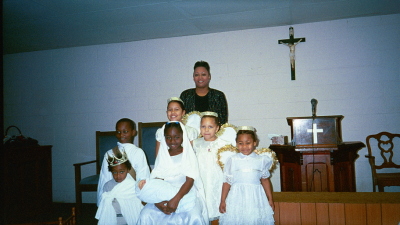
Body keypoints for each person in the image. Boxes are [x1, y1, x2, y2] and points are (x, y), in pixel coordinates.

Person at [137, 121, 208, 225]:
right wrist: (158, 203)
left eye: (176, 137)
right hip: (163, 194)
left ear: (183, 137)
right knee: (145, 214)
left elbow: (190, 180)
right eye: (168, 137)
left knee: (194, 216)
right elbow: (157, 181)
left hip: (185, 193)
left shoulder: (187, 154)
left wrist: (176, 200)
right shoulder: (163, 155)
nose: (172, 141)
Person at [219, 126, 275, 225]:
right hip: (236, 197)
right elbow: (227, 182)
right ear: (236, 144)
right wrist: (222, 200)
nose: (244, 146)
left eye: (248, 143)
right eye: (241, 143)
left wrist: (270, 199)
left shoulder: (261, 160)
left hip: (255, 197)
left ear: (255, 143)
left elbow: (265, 180)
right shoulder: (232, 160)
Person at [97, 118, 150, 206]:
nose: (121, 135)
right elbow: (104, 179)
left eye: (125, 131)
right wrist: (102, 203)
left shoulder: (138, 152)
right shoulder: (109, 153)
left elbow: (143, 177)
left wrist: (144, 199)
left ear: (134, 132)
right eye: (118, 132)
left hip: (132, 196)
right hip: (114, 196)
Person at [193, 111, 231, 222]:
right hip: (201, 180)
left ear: (217, 128)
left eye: (210, 127)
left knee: (216, 207)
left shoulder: (223, 145)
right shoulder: (196, 143)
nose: (206, 130)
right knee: (202, 210)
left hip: (216, 181)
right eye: (203, 126)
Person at [95, 151, 141, 224]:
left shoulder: (133, 185)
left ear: (127, 170)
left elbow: (137, 205)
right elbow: (104, 206)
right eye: (114, 172)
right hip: (112, 217)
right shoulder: (108, 185)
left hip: (129, 218)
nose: (118, 175)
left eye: (121, 172)